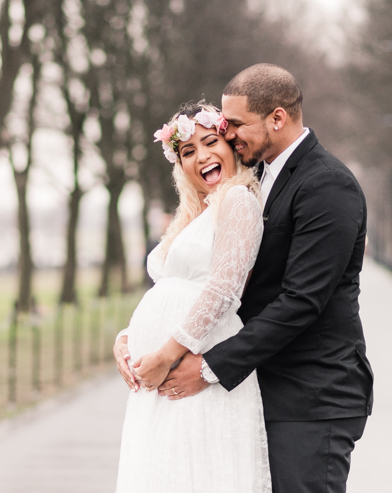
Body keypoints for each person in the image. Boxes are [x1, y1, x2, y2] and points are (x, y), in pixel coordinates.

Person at [152, 64, 374, 493]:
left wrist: (211, 367)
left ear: (277, 118)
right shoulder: (254, 177)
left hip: (312, 397)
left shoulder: (328, 185)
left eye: (235, 124)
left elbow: (301, 301)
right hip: (262, 390)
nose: (228, 133)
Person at [113, 101, 271, 492]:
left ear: (231, 146)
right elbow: (167, 289)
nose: (201, 156)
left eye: (210, 142)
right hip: (159, 379)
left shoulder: (238, 202)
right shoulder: (193, 216)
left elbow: (222, 291)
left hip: (189, 364)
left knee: (197, 475)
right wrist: (127, 337)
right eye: (187, 151)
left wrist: (166, 355)